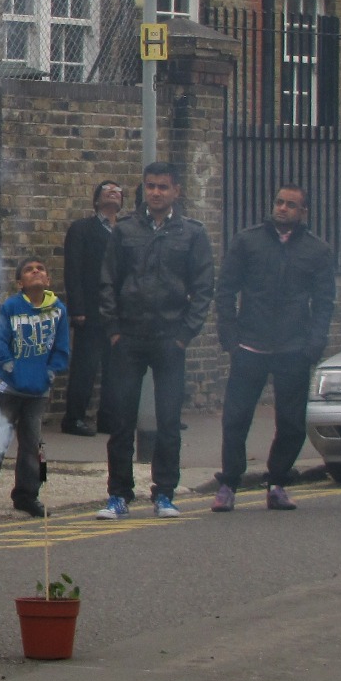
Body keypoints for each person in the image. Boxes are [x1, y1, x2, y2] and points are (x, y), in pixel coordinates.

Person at [94, 160, 214, 520]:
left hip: (169, 338)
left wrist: (184, 334)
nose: (156, 192)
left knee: (169, 420)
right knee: (121, 421)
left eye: (163, 186)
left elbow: (204, 287)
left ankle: (164, 493)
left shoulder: (193, 233)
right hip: (128, 336)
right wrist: (113, 329)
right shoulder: (125, 230)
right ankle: (118, 495)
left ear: (176, 190)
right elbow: (107, 281)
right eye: (151, 186)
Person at [211, 184, 335, 513]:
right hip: (249, 345)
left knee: (292, 422)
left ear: (302, 212)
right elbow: (225, 289)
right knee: (236, 418)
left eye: (291, 205)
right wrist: (230, 337)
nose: (282, 208)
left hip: (293, 349)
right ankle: (228, 484)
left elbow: (324, 303)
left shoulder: (317, 250)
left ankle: (277, 482)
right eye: (279, 202)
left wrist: (314, 344)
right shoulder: (247, 241)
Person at [0, 257, 70, 517]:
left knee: (35, 445)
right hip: (8, 388)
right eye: (29, 270)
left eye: (40, 268)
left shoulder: (58, 309)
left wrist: (51, 370)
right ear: (19, 282)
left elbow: (62, 346)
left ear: (47, 279)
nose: (36, 272)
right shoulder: (11, 307)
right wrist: (9, 365)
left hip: (38, 390)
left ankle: (29, 494)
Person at [60, 181, 123, 436]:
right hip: (91, 308)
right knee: (85, 367)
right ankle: (73, 418)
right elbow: (72, 270)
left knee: (115, 369)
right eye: (107, 189)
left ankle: (107, 419)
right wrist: (78, 308)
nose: (113, 192)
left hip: (118, 312)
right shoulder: (82, 229)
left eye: (118, 191)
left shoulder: (126, 231)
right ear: (96, 200)